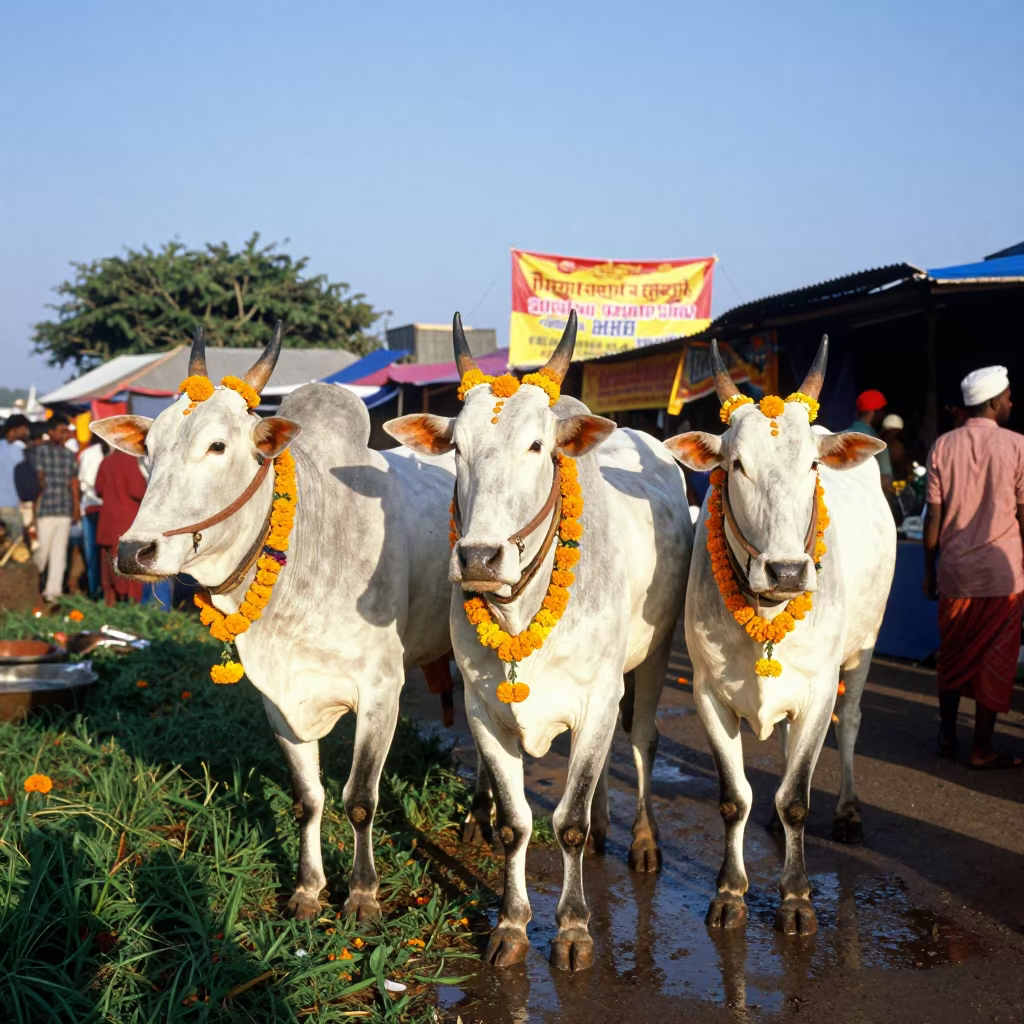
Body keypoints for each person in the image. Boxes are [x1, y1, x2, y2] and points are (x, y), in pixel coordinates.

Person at [923, 365, 1024, 770]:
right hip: (1003, 577)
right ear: (995, 402)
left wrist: (930, 570)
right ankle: (982, 748)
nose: (1012, 403)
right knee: (996, 663)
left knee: (953, 655)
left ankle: (948, 735)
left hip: (957, 574)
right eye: (1010, 397)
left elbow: (933, 519)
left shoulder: (942, 446)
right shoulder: (1018, 446)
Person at [29, 414, 80, 604]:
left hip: (64, 508)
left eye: (66, 431)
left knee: (59, 553)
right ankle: (33, 582)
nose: (64, 434)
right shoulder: (40, 452)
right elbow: (39, 477)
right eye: (61, 431)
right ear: (50, 432)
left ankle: (53, 593)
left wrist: (76, 507)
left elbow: (73, 482)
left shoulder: (69, 455)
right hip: (46, 508)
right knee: (43, 552)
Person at [95, 449, 146, 605]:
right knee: (130, 570)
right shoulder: (131, 461)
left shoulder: (106, 461)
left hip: (107, 521)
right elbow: (138, 491)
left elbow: (98, 490)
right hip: (126, 523)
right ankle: (131, 609)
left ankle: (110, 606)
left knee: (109, 570)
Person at [78, 435, 108, 598]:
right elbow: (86, 484)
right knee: (97, 555)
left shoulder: (91, 453)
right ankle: (98, 592)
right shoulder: (90, 454)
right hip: (95, 509)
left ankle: (99, 592)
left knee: (98, 555)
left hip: (100, 509)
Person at [846, 389, 893, 491]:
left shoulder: (843, 436)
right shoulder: (876, 442)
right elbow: (886, 481)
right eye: (881, 412)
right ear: (873, 411)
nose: (883, 416)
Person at [0, 414, 30, 547]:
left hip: (6, 503)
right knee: (15, 546)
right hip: (13, 504)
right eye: (24, 428)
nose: (26, 432)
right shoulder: (21, 449)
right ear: (14, 429)